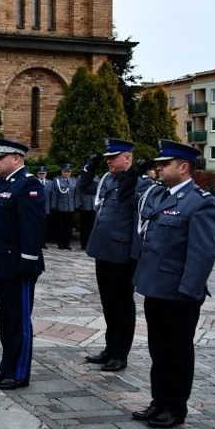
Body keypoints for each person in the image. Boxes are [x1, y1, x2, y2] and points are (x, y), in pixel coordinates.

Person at [131, 140, 215, 428]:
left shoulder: (201, 202)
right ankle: (159, 401)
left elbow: (202, 253)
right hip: (155, 289)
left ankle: (175, 407)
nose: (158, 167)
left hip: (179, 293)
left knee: (178, 352)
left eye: (164, 163)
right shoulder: (160, 196)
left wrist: (188, 291)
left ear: (183, 168)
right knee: (158, 349)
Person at [77, 138, 153, 372]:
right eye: (107, 157)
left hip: (122, 256)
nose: (109, 161)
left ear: (128, 158)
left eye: (113, 157)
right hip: (104, 251)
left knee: (122, 306)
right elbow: (83, 187)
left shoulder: (140, 183)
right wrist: (89, 168)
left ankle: (120, 354)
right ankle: (110, 349)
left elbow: (136, 219)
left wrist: (134, 256)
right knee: (108, 303)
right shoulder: (108, 180)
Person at [0, 138, 46, 390]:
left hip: (19, 266)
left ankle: (18, 373)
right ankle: (6, 367)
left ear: (16, 158)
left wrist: (28, 262)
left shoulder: (28, 184)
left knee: (19, 320)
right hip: (1, 263)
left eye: (1, 157)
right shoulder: (1, 184)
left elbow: (33, 228)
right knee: (5, 318)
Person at [49, 164, 79, 249]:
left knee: (68, 227)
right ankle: (60, 243)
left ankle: (67, 243)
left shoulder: (74, 180)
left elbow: (76, 194)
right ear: (62, 171)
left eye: (68, 172)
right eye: (65, 171)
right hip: (60, 207)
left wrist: (76, 205)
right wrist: (53, 206)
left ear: (70, 172)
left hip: (70, 207)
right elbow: (54, 194)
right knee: (60, 227)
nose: (66, 173)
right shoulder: (57, 180)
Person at [77, 170, 98, 250]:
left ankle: (90, 244)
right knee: (84, 226)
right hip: (84, 204)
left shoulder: (96, 177)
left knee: (92, 226)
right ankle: (84, 244)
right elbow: (78, 191)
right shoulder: (81, 177)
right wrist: (79, 203)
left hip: (93, 204)